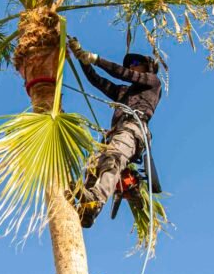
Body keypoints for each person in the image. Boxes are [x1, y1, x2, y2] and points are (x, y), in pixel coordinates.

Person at [68, 37, 162, 228]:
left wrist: (95, 59)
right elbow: (97, 80)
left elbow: (123, 73)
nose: (132, 66)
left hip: (133, 130)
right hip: (116, 132)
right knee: (93, 166)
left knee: (113, 159)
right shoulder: (124, 92)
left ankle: (96, 199)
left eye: (136, 63)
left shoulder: (152, 82)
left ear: (148, 66)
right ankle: (88, 210)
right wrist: (81, 59)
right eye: (130, 64)